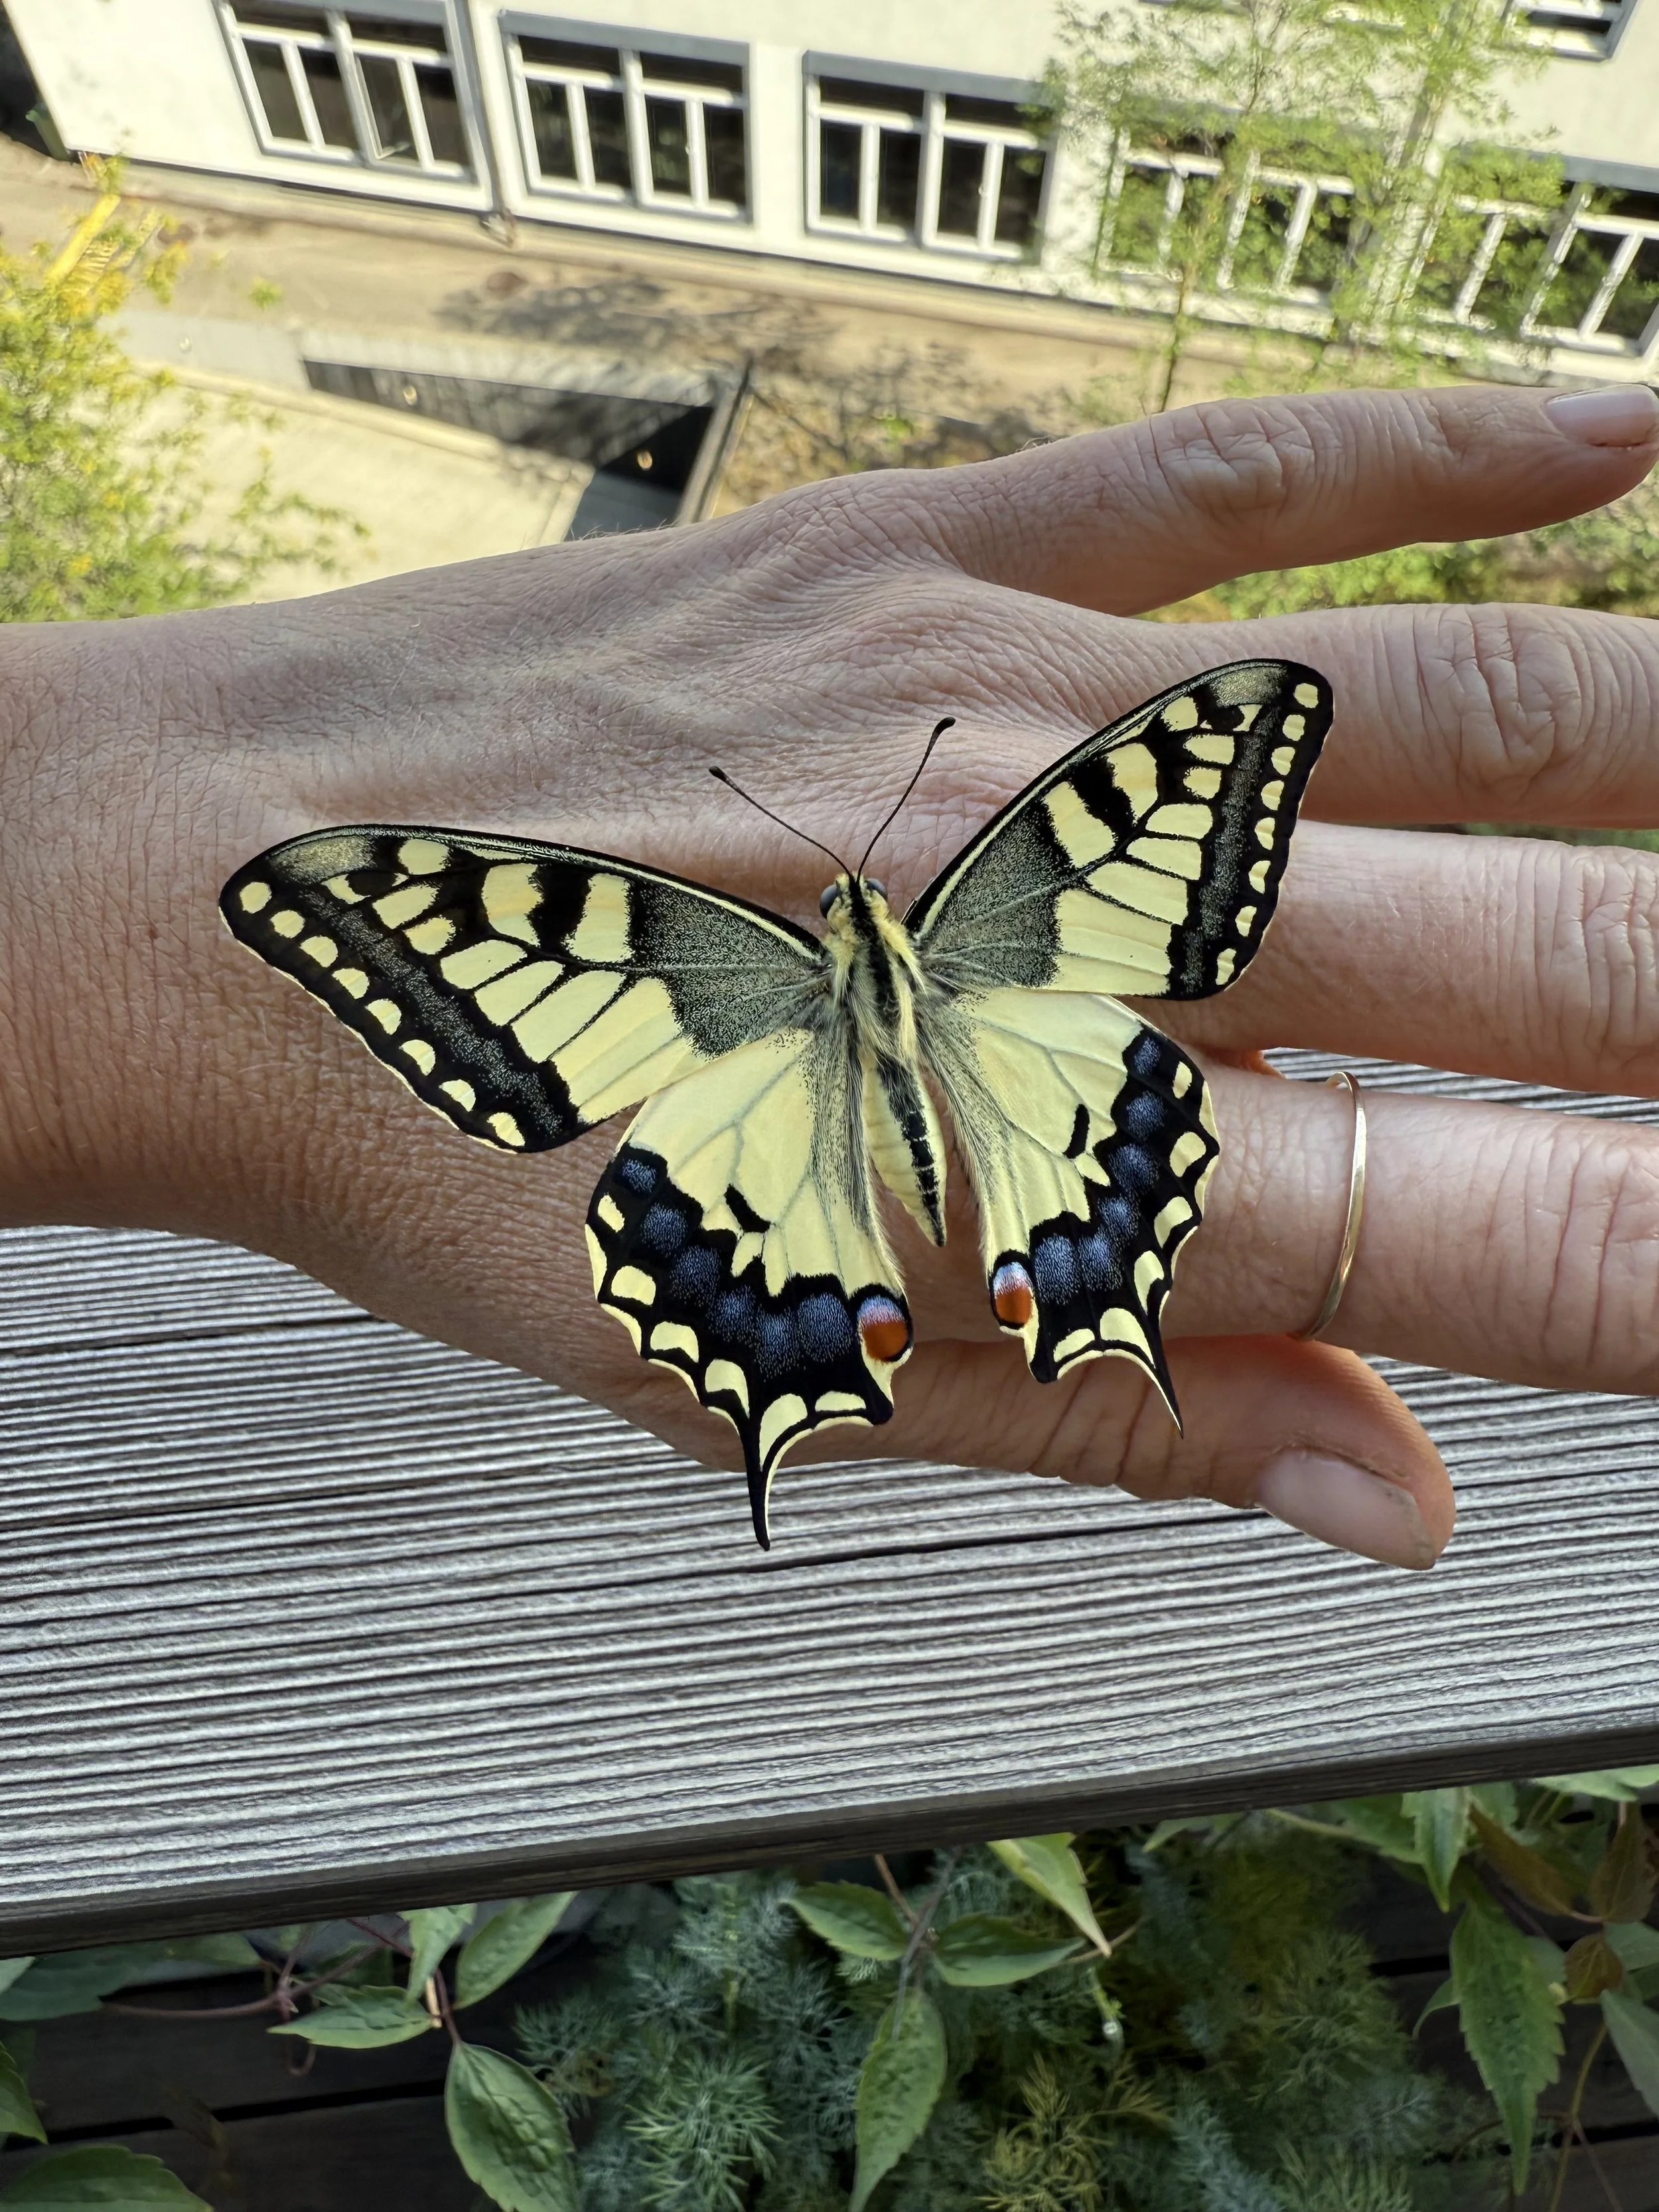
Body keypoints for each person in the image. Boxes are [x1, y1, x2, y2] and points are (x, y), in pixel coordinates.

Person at [3, 381, 1656, 1572]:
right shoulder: (1016, 884)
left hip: (760, 1115)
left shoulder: (687, 951)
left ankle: (949, 1278)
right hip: (1016, 1065)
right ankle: (1041, 1257)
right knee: (1072, 1139)